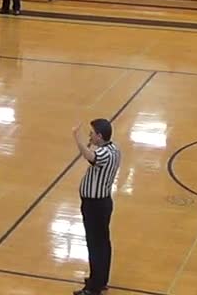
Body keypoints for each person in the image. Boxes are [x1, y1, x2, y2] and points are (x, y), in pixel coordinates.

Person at [73, 118, 121, 295]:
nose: (90, 136)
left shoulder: (104, 154)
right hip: (102, 204)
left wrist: (76, 137)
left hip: (95, 206)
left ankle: (94, 287)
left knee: (95, 244)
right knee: (102, 243)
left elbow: (89, 156)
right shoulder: (114, 149)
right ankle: (100, 279)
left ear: (100, 136)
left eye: (92, 133)